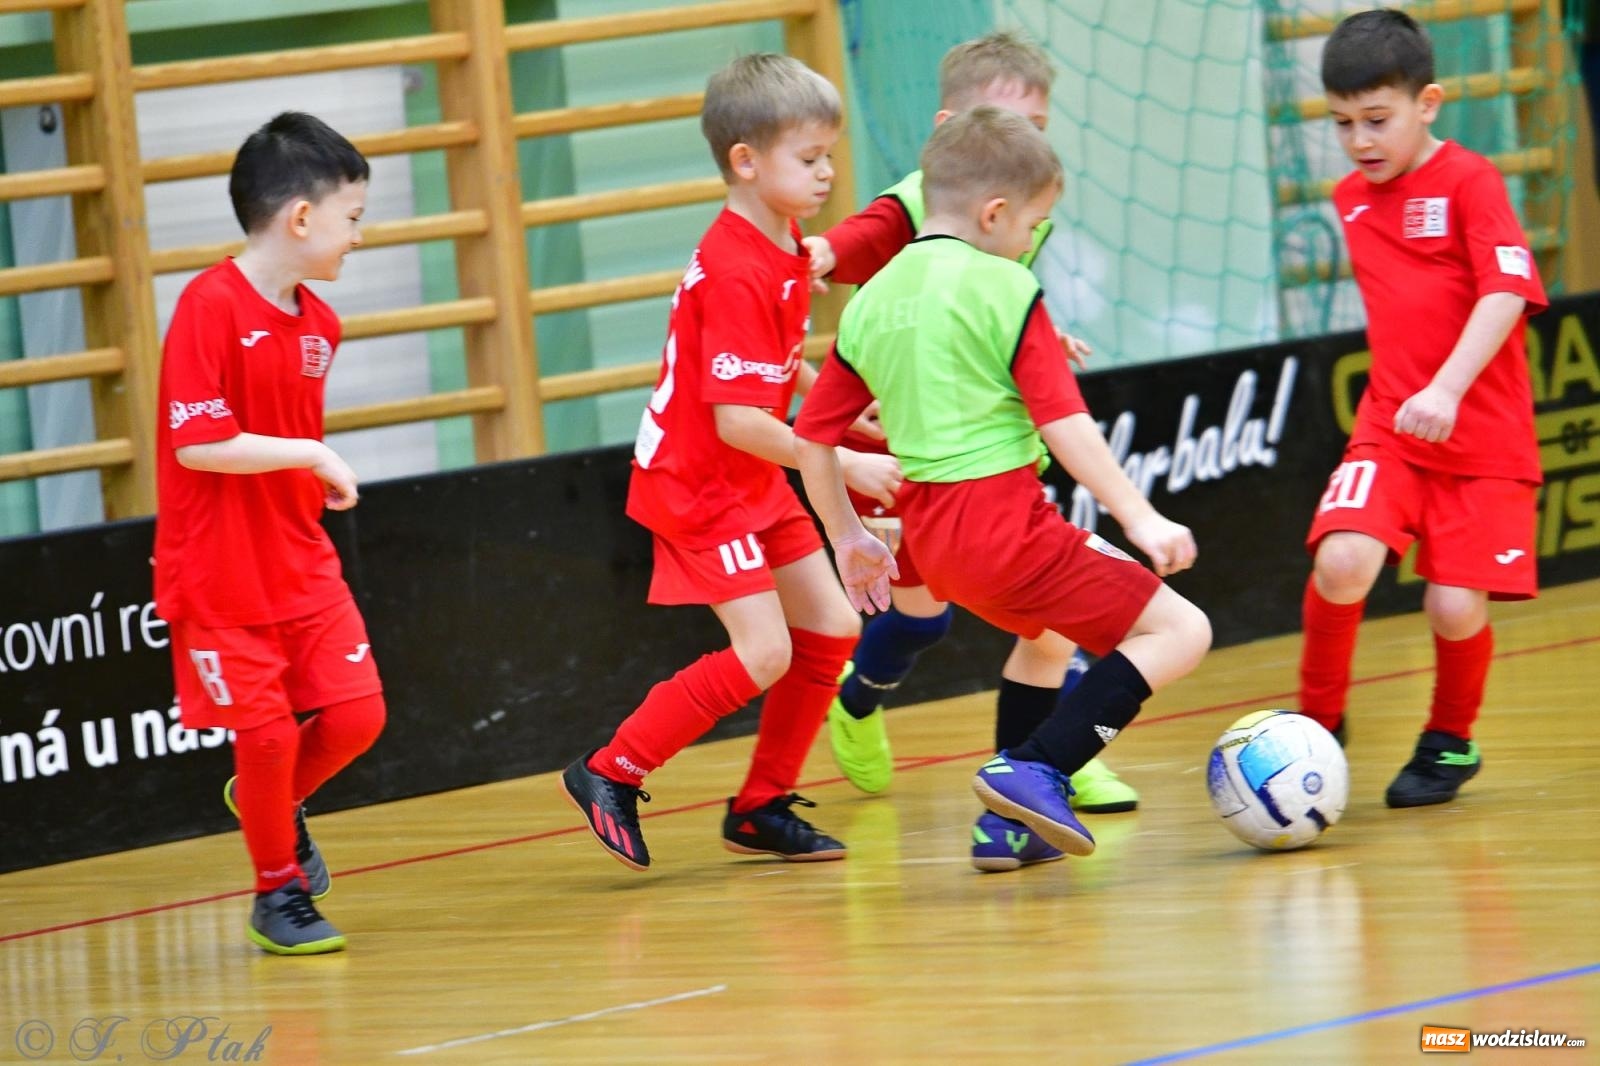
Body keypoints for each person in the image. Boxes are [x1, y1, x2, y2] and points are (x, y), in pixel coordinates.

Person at [793, 106, 1212, 864]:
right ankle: (1038, 769)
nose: (1029, 242)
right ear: (994, 213)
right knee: (1183, 631)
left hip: (936, 545)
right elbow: (1065, 423)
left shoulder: (872, 301)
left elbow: (812, 437)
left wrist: (848, 536)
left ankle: (1007, 828)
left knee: (1046, 643)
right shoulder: (1005, 288)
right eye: (1032, 224)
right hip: (1006, 528)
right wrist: (1140, 516)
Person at [558, 54, 902, 871]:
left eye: (828, 156)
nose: (826, 174)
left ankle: (758, 807)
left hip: (747, 476)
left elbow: (774, 366)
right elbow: (740, 418)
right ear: (745, 161)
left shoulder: (781, 241)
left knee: (833, 625)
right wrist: (841, 462)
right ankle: (610, 770)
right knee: (765, 653)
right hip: (700, 484)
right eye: (809, 158)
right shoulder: (741, 267)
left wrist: (838, 407)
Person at [1298, 10, 1547, 807]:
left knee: (1451, 603)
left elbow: (1507, 286)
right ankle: (1315, 725)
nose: (1360, 141)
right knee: (1341, 562)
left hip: (1483, 434)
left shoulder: (1473, 180)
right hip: (1392, 426)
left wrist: (1447, 387)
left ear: (1428, 103)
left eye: (1378, 120)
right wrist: (1415, 395)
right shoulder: (1349, 198)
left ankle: (1449, 740)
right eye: (1342, 124)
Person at [154, 112, 386, 954]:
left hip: (300, 560)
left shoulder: (320, 326)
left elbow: (279, 435)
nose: (358, 235)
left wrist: (307, 471)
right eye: (352, 217)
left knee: (358, 717)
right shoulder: (207, 306)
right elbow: (200, 441)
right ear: (300, 218)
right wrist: (315, 452)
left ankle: (270, 799)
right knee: (266, 734)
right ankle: (276, 893)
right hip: (218, 574)